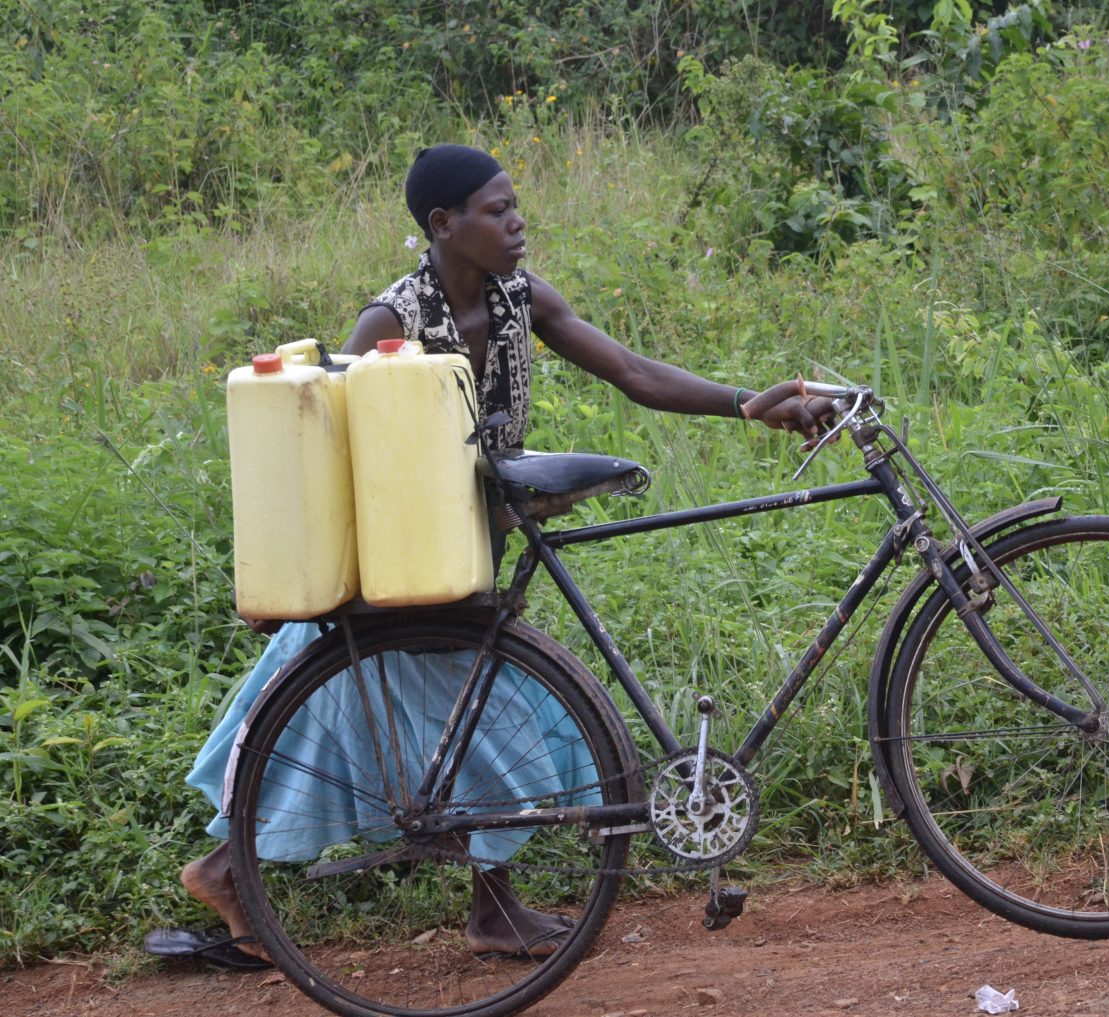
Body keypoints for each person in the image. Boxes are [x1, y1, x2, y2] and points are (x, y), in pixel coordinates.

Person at [148, 144, 834, 969]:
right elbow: (328, 455)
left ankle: (264, 876)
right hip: (397, 577)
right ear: (444, 224)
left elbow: (630, 371)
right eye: (496, 210)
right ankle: (434, 901)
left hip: (465, 554)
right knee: (480, 725)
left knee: (455, 723)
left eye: (515, 207)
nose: (516, 223)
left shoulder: (521, 297)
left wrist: (746, 404)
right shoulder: (390, 323)